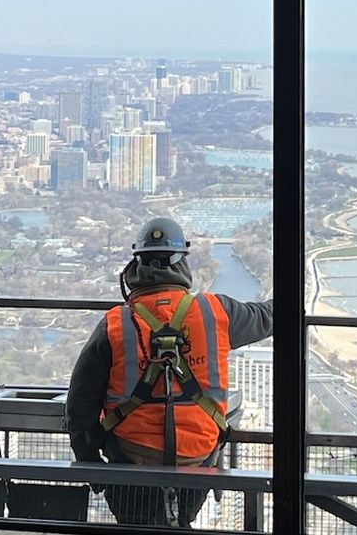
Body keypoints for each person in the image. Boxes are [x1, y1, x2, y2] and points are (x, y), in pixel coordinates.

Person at [67, 217, 273, 527]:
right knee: (181, 522)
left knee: (136, 525)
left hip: (129, 463)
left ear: (135, 266)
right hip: (199, 459)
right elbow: (269, 316)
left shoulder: (115, 325)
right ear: (182, 264)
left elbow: (80, 403)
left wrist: (90, 464)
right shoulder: (215, 312)